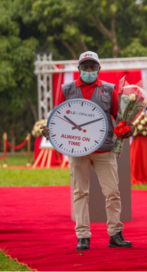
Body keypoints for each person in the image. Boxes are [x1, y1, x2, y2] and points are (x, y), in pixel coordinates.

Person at [41, 51, 133, 251]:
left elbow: (120, 117)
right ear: (79, 69)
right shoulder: (67, 89)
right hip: (77, 150)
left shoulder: (109, 90)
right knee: (80, 193)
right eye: (85, 67)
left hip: (104, 150)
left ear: (99, 68)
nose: (89, 70)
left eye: (92, 67)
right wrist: (51, 131)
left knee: (112, 193)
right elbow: (59, 117)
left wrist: (128, 127)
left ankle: (115, 234)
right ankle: (83, 236)